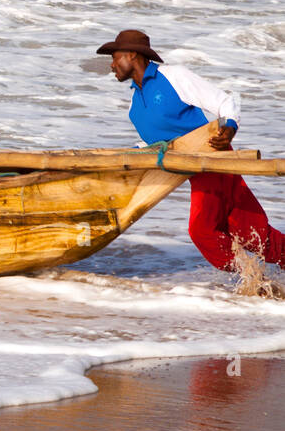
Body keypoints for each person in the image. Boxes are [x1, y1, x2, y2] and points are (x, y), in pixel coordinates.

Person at [97, 29, 285, 275]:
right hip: (196, 170)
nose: (111, 65)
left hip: (212, 158)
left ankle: (253, 280)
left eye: (114, 57)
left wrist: (229, 128)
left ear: (132, 55)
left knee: (202, 229)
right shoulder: (134, 105)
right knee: (253, 232)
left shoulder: (173, 77)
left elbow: (224, 102)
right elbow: (157, 143)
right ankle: (260, 281)